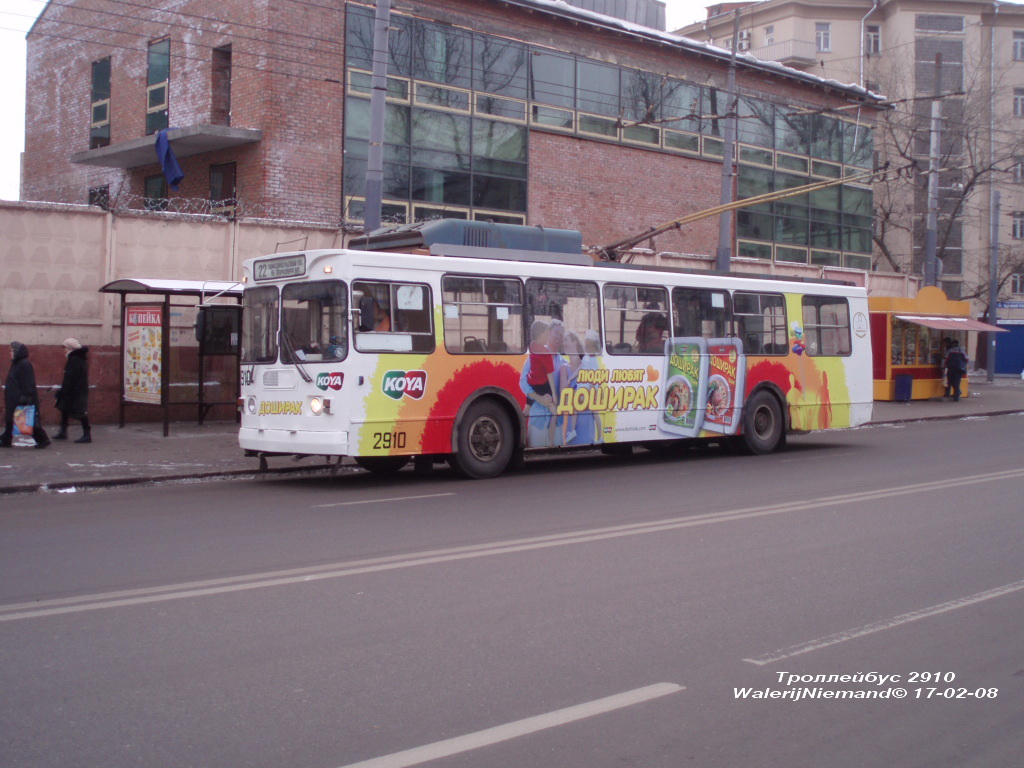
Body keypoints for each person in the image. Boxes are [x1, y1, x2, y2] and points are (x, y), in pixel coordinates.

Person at [1, 341, 51, 448]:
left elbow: (28, 381)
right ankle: (6, 439)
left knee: (28, 421)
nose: (10, 353)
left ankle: (43, 439)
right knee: (11, 418)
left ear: (17, 352)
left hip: (21, 397)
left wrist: (26, 395)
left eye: (12, 351)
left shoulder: (24, 364)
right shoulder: (17, 363)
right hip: (14, 397)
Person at [54, 338, 91, 443]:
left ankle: (87, 434)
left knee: (80, 412)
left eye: (65, 348)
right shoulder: (79, 358)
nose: (64, 350)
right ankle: (63, 432)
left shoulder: (74, 360)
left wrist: (63, 392)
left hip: (75, 391)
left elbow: (70, 378)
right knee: (64, 408)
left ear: (70, 348)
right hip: (76, 389)